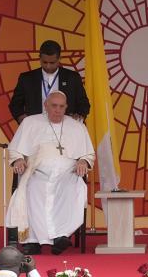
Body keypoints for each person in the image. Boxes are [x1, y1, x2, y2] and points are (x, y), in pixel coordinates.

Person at [6, 91, 94, 255]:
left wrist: (83, 161)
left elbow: (88, 154)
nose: (57, 110)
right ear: (46, 105)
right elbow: (16, 149)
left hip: (68, 174)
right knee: (33, 190)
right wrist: (18, 159)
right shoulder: (30, 123)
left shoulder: (77, 126)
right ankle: (35, 240)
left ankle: (60, 235)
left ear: (66, 107)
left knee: (72, 190)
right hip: (37, 172)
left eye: (61, 107)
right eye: (54, 106)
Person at [8, 40, 90, 124]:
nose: (48, 66)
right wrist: (20, 116)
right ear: (39, 58)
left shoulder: (73, 77)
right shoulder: (26, 78)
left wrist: (80, 115)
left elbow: (84, 103)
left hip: (66, 127)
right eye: (44, 62)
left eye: (52, 63)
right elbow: (15, 104)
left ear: (59, 59)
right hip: (36, 126)